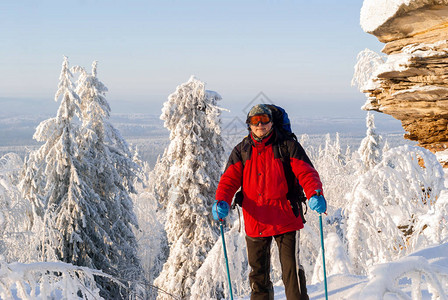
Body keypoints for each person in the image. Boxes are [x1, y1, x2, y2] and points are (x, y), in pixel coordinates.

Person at [213, 104, 326, 300]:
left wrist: (314, 193)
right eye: (255, 121)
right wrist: (221, 200)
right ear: (249, 125)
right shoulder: (242, 150)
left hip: (286, 218)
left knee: (291, 273)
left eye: (264, 120)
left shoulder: (287, 146)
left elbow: (306, 172)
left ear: (272, 122)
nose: (260, 125)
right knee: (258, 276)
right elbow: (229, 180)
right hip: (256, 220)